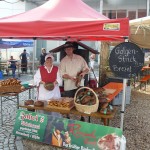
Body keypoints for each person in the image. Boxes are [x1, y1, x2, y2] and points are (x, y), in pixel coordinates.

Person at [59, 42, 89, 120]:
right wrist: (70, 77)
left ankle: (82, 116)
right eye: (66, 49)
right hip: (68, 85)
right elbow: (62, 74)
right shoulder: (63, 61)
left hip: (79, 83)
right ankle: (68, 116)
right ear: (65, 50)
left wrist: (83, 73)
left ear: (73, 49)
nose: (68, 50)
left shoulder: (80, 58)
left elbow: (86, 68)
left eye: (69, 48)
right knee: (68, 101)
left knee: (81, 100)